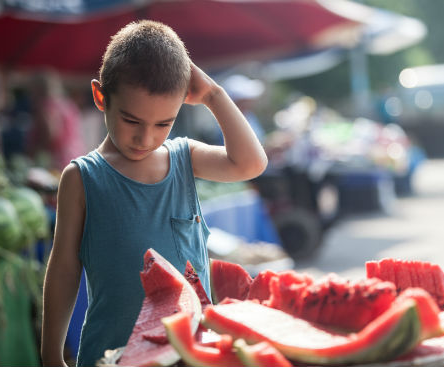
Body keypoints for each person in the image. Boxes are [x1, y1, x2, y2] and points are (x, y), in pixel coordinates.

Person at [40, 20, 267, 367]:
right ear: (101, 97)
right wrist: (51, 353)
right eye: (131, 121)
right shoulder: (81, 178)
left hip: (191, 352)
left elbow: (250, 163)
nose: (145, 139)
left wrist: (213, 95)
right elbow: (63, 270)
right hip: (109, 355)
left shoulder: (185, 158)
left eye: (163, 124)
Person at [27, 70, 87, 171]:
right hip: (76, 156)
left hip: (57, 162)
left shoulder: (46, 105)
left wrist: (33, 151)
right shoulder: (68, 103)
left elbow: (50, 132)